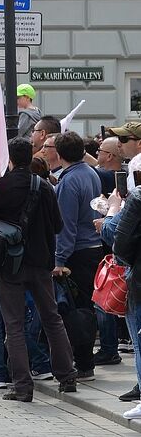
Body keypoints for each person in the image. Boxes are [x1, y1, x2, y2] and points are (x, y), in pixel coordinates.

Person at [0, 137, 77, 401]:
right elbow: (57, 225)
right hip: (41, 262)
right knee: (52, 318)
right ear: (29, 157)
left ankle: (22, 386)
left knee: (14, 324)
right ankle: (67, 377)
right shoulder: (43, 186)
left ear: (9, 159)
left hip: (9, 264)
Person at [53, 130, 104, 380]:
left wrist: (59, 259)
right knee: (86, 308)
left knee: (75, 310)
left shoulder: (69, 181)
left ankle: (83, 362)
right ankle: (85, 360)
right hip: (92, 247)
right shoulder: (90, 173)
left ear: (60, 154)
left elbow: (66, 226)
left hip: (77, 252)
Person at [109, 187, 141, 417]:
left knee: (139, 341)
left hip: (139, 276)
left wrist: (112, 210)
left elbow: (119, 241)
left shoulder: (138, 196)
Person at [109, 122, 141, 192]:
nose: (118, 144)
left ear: (140, 143)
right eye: (118, 138)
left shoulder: (138, 166)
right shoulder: (134, 165)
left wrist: (115, 202)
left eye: (123, 139)